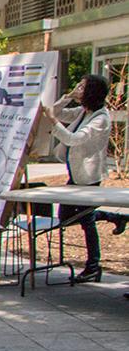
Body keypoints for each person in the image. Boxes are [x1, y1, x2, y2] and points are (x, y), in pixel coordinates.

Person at [41, 75, 125, 282]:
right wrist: (68, 96)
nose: (78, 88)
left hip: (88, 176)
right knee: (67, 217)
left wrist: (53, 121)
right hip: (75, 173)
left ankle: (93, 266)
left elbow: (73, 138)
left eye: (82, 86)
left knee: (85, 220)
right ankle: (113, 217)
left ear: (92, 92)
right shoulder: (82, 112)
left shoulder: (100, 118)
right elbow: (58, 111)